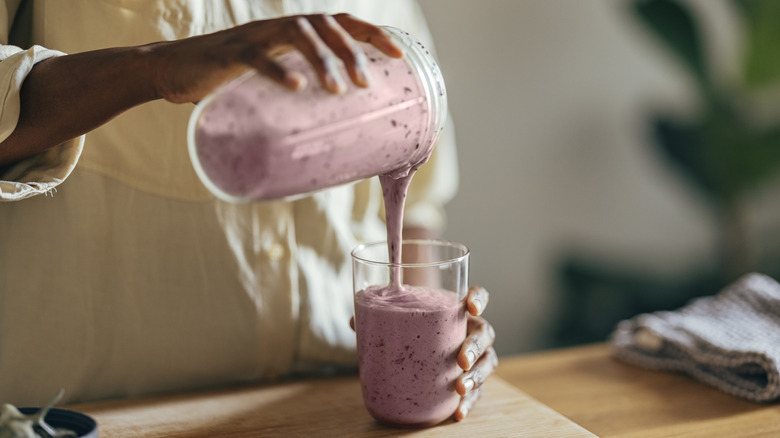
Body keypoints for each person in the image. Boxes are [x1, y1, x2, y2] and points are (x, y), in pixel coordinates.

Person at [0, 0, 496, 421]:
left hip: (332, 409)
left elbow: (419, 194)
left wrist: (434, 343)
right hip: (92, 416)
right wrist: (153, 66)